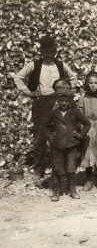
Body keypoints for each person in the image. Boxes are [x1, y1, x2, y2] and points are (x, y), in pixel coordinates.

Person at [14, 35, 77, 182]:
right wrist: (28, 92)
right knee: (40, 137)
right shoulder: (35, 65)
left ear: (55, 51)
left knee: (60, 134)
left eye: (52, 51)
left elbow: (73, 78)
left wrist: (65, 92)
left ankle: (60, 169)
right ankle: (38, 169)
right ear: (41, 51)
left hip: (57, 102)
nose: (49, 55)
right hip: (41, 102)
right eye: (46, 52)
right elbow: (18, 77)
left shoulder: (61, 65)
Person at [45, 88, 91, 202]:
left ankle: (72, 189)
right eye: (61, 101)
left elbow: (87, 123)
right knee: (57, 168)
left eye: (66, 101)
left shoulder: (75, 112)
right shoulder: (54, 113)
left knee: (71, 168)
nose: (64, 103)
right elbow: (45, 126)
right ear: (57, 101)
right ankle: (56, 191)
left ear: (70, 101)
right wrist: (50, 136)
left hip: (71, 145)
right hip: (57, 145)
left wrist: (80, 135)